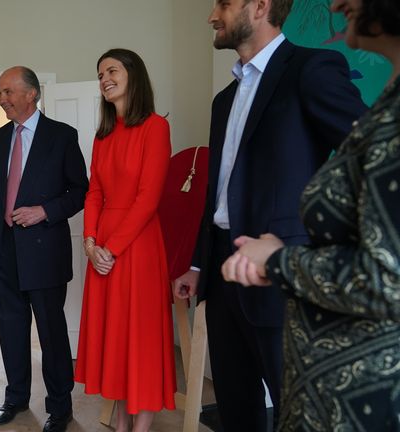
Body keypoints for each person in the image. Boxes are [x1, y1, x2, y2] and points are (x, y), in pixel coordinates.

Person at [171, 0, 368, 429]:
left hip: (280, 277)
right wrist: (198, 262)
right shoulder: (223, 100)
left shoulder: (310, 69)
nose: (211, 16)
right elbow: (218, 191)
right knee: (237, 408)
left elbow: (371, 161)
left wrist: (296, 239)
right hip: (222, 276)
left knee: (296, 411)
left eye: (223, 4)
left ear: (260, 6)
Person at [221, 0, 400, 430]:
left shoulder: (313, 69)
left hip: (363, 387)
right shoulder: (390, 103)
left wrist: (279, 258)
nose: (339, 4)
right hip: (320, 366)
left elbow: (387, 276)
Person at [0, 66, 88, 432]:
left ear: (32, 94)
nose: (2, 99)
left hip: (44, 251)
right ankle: (16, 398)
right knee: (10, 329)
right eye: (0, 93)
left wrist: (45, 211)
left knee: (52, 334)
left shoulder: (62, 136)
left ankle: (60, 407)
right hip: (2, 251)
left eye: (8, 91)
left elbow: (80, 191)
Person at [74, 48, 176, 432]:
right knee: (115, 338)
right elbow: (94, 192)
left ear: (133, 75)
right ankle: (120, 416)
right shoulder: (103, 135)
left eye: (112, 71)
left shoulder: (155, 127)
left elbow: (148, 198)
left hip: (137, 246)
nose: (104, 79)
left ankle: (141, 426)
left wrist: (110, 249)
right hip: (103, 248)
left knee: (142, 339)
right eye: (100, 74)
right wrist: (89, 242)